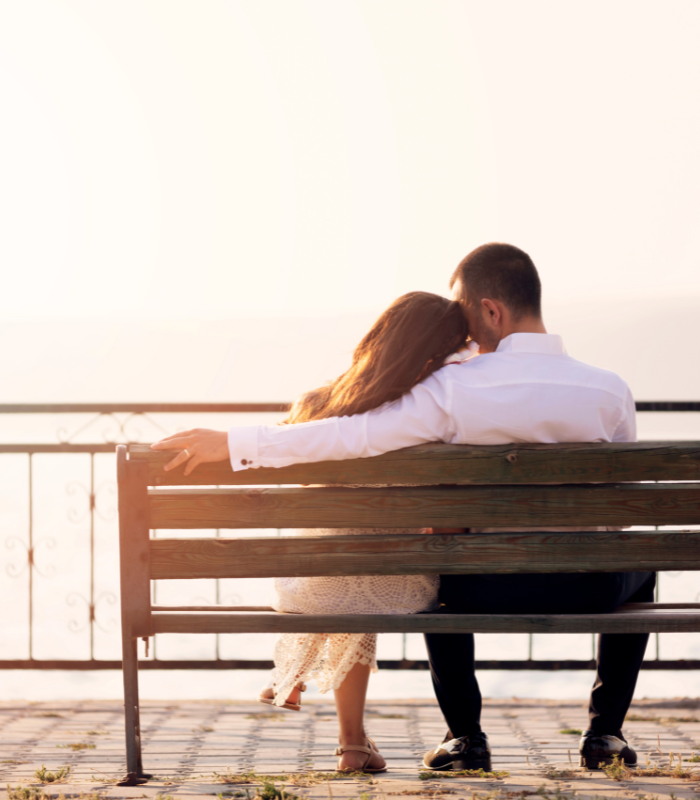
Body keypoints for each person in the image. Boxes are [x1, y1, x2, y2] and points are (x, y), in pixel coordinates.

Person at [151, 242, 651, 773]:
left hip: (478, 585)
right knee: (639, 566)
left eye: (464, 313)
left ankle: (466, 738)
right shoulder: (609, 390)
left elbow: (351, 435)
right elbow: (619, 502)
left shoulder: (451, 390)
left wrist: (234, 444)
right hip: (590, 583)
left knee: (443, 575)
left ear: (490, 310)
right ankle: (604, 734)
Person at [157, 291, 469, 773]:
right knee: (361, 577)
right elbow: (448, 520)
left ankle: (300, 682)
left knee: (341, 569)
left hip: (312, 578)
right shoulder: (428, 415)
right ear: (436, 354)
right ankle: (348, 740)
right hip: (399, 579)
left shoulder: (319, 405)